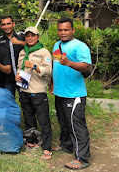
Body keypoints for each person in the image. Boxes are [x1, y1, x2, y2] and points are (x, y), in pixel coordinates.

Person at [50, 18, 91, 170]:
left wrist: (69, 63)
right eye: (60, 30)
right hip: (60, 91)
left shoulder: (80, 46)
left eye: (66, 30)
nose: (63, 33)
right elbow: (56, 65)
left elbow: (86, 66)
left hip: (74, 93)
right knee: (64, 122)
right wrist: (53, 84)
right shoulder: (57, 45)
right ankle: (66, 145)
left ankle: (82, 158)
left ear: (73, 30)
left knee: (76, 125)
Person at [15, 27, 52, 160]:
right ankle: (33, 141)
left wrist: (35, 67)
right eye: (27, 36)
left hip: (38, 92)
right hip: (24, 90)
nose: (30, 38)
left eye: (33, 36)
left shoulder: (44, 52)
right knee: (29, 118)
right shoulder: (22, 53)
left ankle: (47, 147)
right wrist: (17, 77)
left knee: (44, 120)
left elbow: (49, 71)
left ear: (38, 37)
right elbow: (19, 69)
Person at [0, 16, 25, 96]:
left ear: (13, 24)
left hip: (22, 76)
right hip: (7, 79)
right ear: (1, 26)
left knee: (25, 101)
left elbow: (34, 45)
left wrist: (19, 42)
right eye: (4, 24)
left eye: (8, 24)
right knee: (8, 101)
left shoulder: (22, 36)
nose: (6, 27)